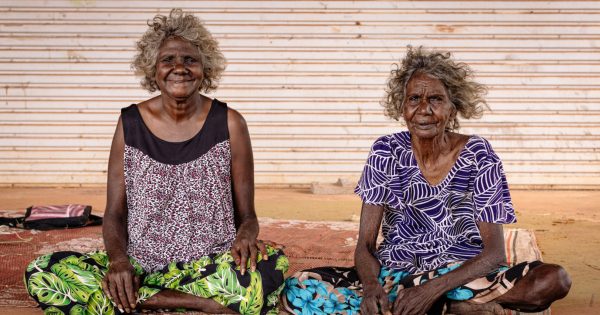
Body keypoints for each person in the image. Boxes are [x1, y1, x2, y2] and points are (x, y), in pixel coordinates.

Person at [24, 9, 287, 315]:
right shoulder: (130, 124)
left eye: (190, 60)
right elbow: (113, 213)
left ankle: (137, 303)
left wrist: (244, 237)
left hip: (210, 266)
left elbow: (248, 216)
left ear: (205, 68)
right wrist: (119, 262)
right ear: (153, 69)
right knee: (42, 271)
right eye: (168, 60)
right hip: (140, 266)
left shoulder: (230, 123)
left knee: (271, 268)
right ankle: (199, 306)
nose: (180, 68)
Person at [282, 46, 571, 315]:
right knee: (299, 285)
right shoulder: (385, 151)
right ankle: (457, 308)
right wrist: (371, 287)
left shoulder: (478, 154)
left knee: (553, 279)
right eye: (414, 99)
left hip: (462, 274)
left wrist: (432, 289)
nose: (424, 109)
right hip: (398, 274)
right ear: (402, 108)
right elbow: (365, 245)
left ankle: (444, 303)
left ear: (452, 109)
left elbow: (494, 254)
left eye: (435, 99)